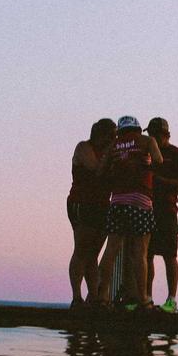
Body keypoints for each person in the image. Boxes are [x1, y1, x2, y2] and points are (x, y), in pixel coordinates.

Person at [96, 116, 162, 310]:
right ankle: (143, 299)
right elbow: (159, 162)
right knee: (140, 252)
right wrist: (143, 165)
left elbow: (100, 172)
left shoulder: (114, 145)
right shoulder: (147, 141)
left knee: (111, 249)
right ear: (138, 128)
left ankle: (102, 297)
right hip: (140, 199)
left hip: (117, 200)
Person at [68, 118, 116, 307]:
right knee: (81, 249)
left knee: (94, 253)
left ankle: (94, 296)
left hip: (103, 205)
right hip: (82, 202)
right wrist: (111, 155)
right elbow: (96, 169)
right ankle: (77, 297)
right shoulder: (84, 148)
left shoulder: (110, 154)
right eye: (112, 135)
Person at [143, 117, 178, 313]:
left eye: (155, 134)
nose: (152, 138)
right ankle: (148, 298)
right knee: (147, 255)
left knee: (170, 255)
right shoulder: (145, 152)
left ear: (166, 135)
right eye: (150, 134)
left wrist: (157, 180)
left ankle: (171, 300)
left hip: (168, 210)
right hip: (146, 208)